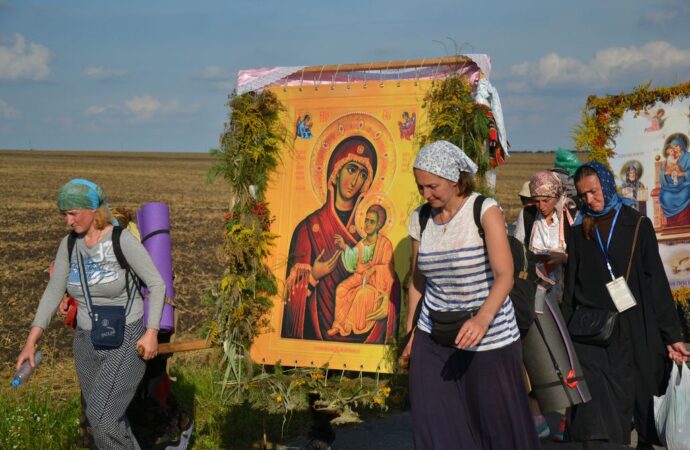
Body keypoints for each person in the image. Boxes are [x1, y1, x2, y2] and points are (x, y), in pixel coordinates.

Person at [401, 140, 540, 449]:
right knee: (433, 422)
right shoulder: (421, 219)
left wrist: (481, 320)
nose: (426, 194)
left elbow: (505, 276)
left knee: (496, 429)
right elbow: (417, 282)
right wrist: (411, 333)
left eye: (432, 186)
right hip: (433, 333)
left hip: (488, 336)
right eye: (421, 187)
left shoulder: (483, 210)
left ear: (454, 178)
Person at [16, 179, 165, 449]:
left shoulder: (121, 241)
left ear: (93, 209)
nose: (68, 221)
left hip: (126, 337)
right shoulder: (69, 245)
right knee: (104, 418)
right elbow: (53, 292)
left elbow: (156, 283)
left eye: (72, 213)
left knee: (102, 416)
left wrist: (151, 332)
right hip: (86, 340)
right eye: (65, 215)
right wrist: (31, 342)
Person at [563, 162, 689, 449]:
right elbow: (570, 287)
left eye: (593, 192)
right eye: (582, 195)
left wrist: (673, 336)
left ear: (606, 185)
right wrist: (566, 339)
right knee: (599, 418)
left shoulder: (637, 225)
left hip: (634, 328)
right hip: (593, 336)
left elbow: (656, 281)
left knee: (643, 402)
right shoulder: (578, 230)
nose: (589, 200)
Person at [281, 136, 400, 343]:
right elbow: (288, 301)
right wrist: (313, 277)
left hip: (366, 326)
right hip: (315, 337)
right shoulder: (307, 229)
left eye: (363, 175)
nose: (355, 181)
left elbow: (390, 277)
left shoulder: (371, 232)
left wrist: (388, 303)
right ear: (335, 173)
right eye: (351, 170)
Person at [327, 204, 395, 337]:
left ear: (378, 225)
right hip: (359, 278)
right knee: (341, 289)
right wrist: (344, 247)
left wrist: (374, 269)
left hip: (375, 283)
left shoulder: (385, 244)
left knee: (362, 294)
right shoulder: (361, 243)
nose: (367, 224)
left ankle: (348, 325)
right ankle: (337, 325)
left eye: (372, 222)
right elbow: (352, 263)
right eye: (366, 220)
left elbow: (388, 269)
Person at [659, 135, 690, 226]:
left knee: (685, 193)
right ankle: (672, 224)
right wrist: (665, 173)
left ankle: (684, 223)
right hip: (671, 187)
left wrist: (683, 174)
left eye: (676, 146)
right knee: (664, 196)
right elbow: (662, 172)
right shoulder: (670, 158)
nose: (675, 149)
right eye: (673, 147)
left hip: (685, 184)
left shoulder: (688, 157)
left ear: (681, 146)